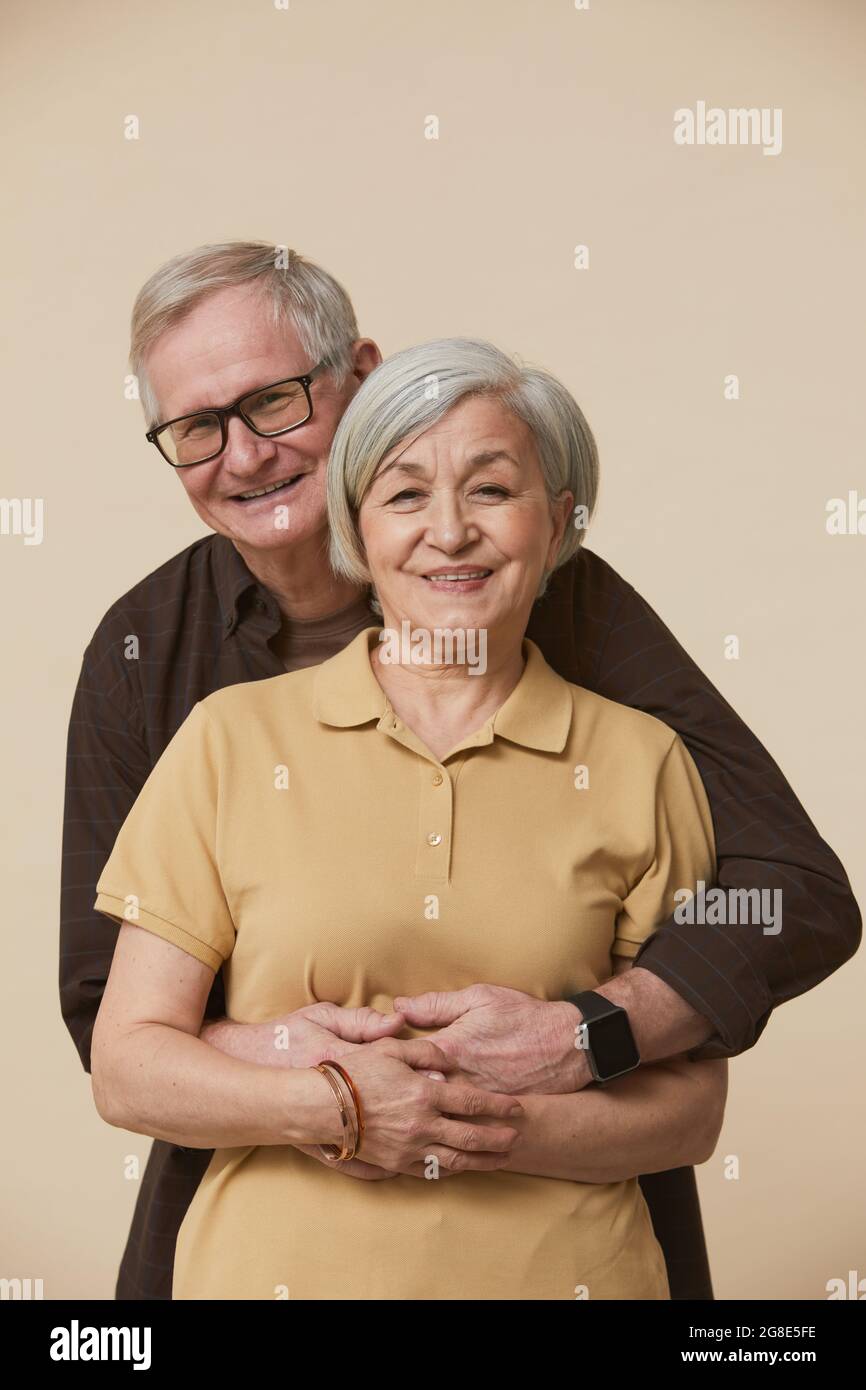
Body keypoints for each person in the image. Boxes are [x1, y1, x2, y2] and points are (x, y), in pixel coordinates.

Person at [60, 242, 860, 1300]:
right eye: (198, 426)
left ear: (361, 378)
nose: (244, 454)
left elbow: (786, 888)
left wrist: (588, 1031)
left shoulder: (540, 592)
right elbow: (107, 1010)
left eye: (274, 401)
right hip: (261, 1241)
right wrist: (334, 1081)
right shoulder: (150, 656)